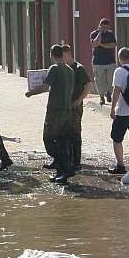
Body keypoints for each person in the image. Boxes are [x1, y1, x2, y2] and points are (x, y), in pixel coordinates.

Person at [26, 44, 75, 184]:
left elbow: (45, 87)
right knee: (62, 142)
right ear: (63, 55)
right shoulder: (70, 70)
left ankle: (66, 168)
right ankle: (62, 173)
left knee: (49, 139)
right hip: (67, 110)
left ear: (51, 55)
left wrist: (30, 93)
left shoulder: (54, 68)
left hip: (55, 110)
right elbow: (70, 90)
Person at [63, 44, 93, 171]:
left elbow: (89, 84)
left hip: (75, 105)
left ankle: (76, 160)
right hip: (64, 105)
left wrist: (79, 100)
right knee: (64, 133)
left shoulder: (79, 69)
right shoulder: (63, 68)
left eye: (62, 56)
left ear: (69, 55)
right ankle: (66, 158)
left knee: (75, 133)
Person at [91, 18, 118, 106]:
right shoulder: (94, 34)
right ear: (99, 26)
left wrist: (102, 45)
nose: (105, 29)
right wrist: (100, 33)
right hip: (98, 62)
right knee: (100, 80)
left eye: (106, 27)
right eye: (103, 27)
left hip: (110, 61)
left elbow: (113, 45)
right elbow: (95, 43)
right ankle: (101, 97)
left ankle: (108, 92)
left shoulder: (110, 34)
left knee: (111, 79)